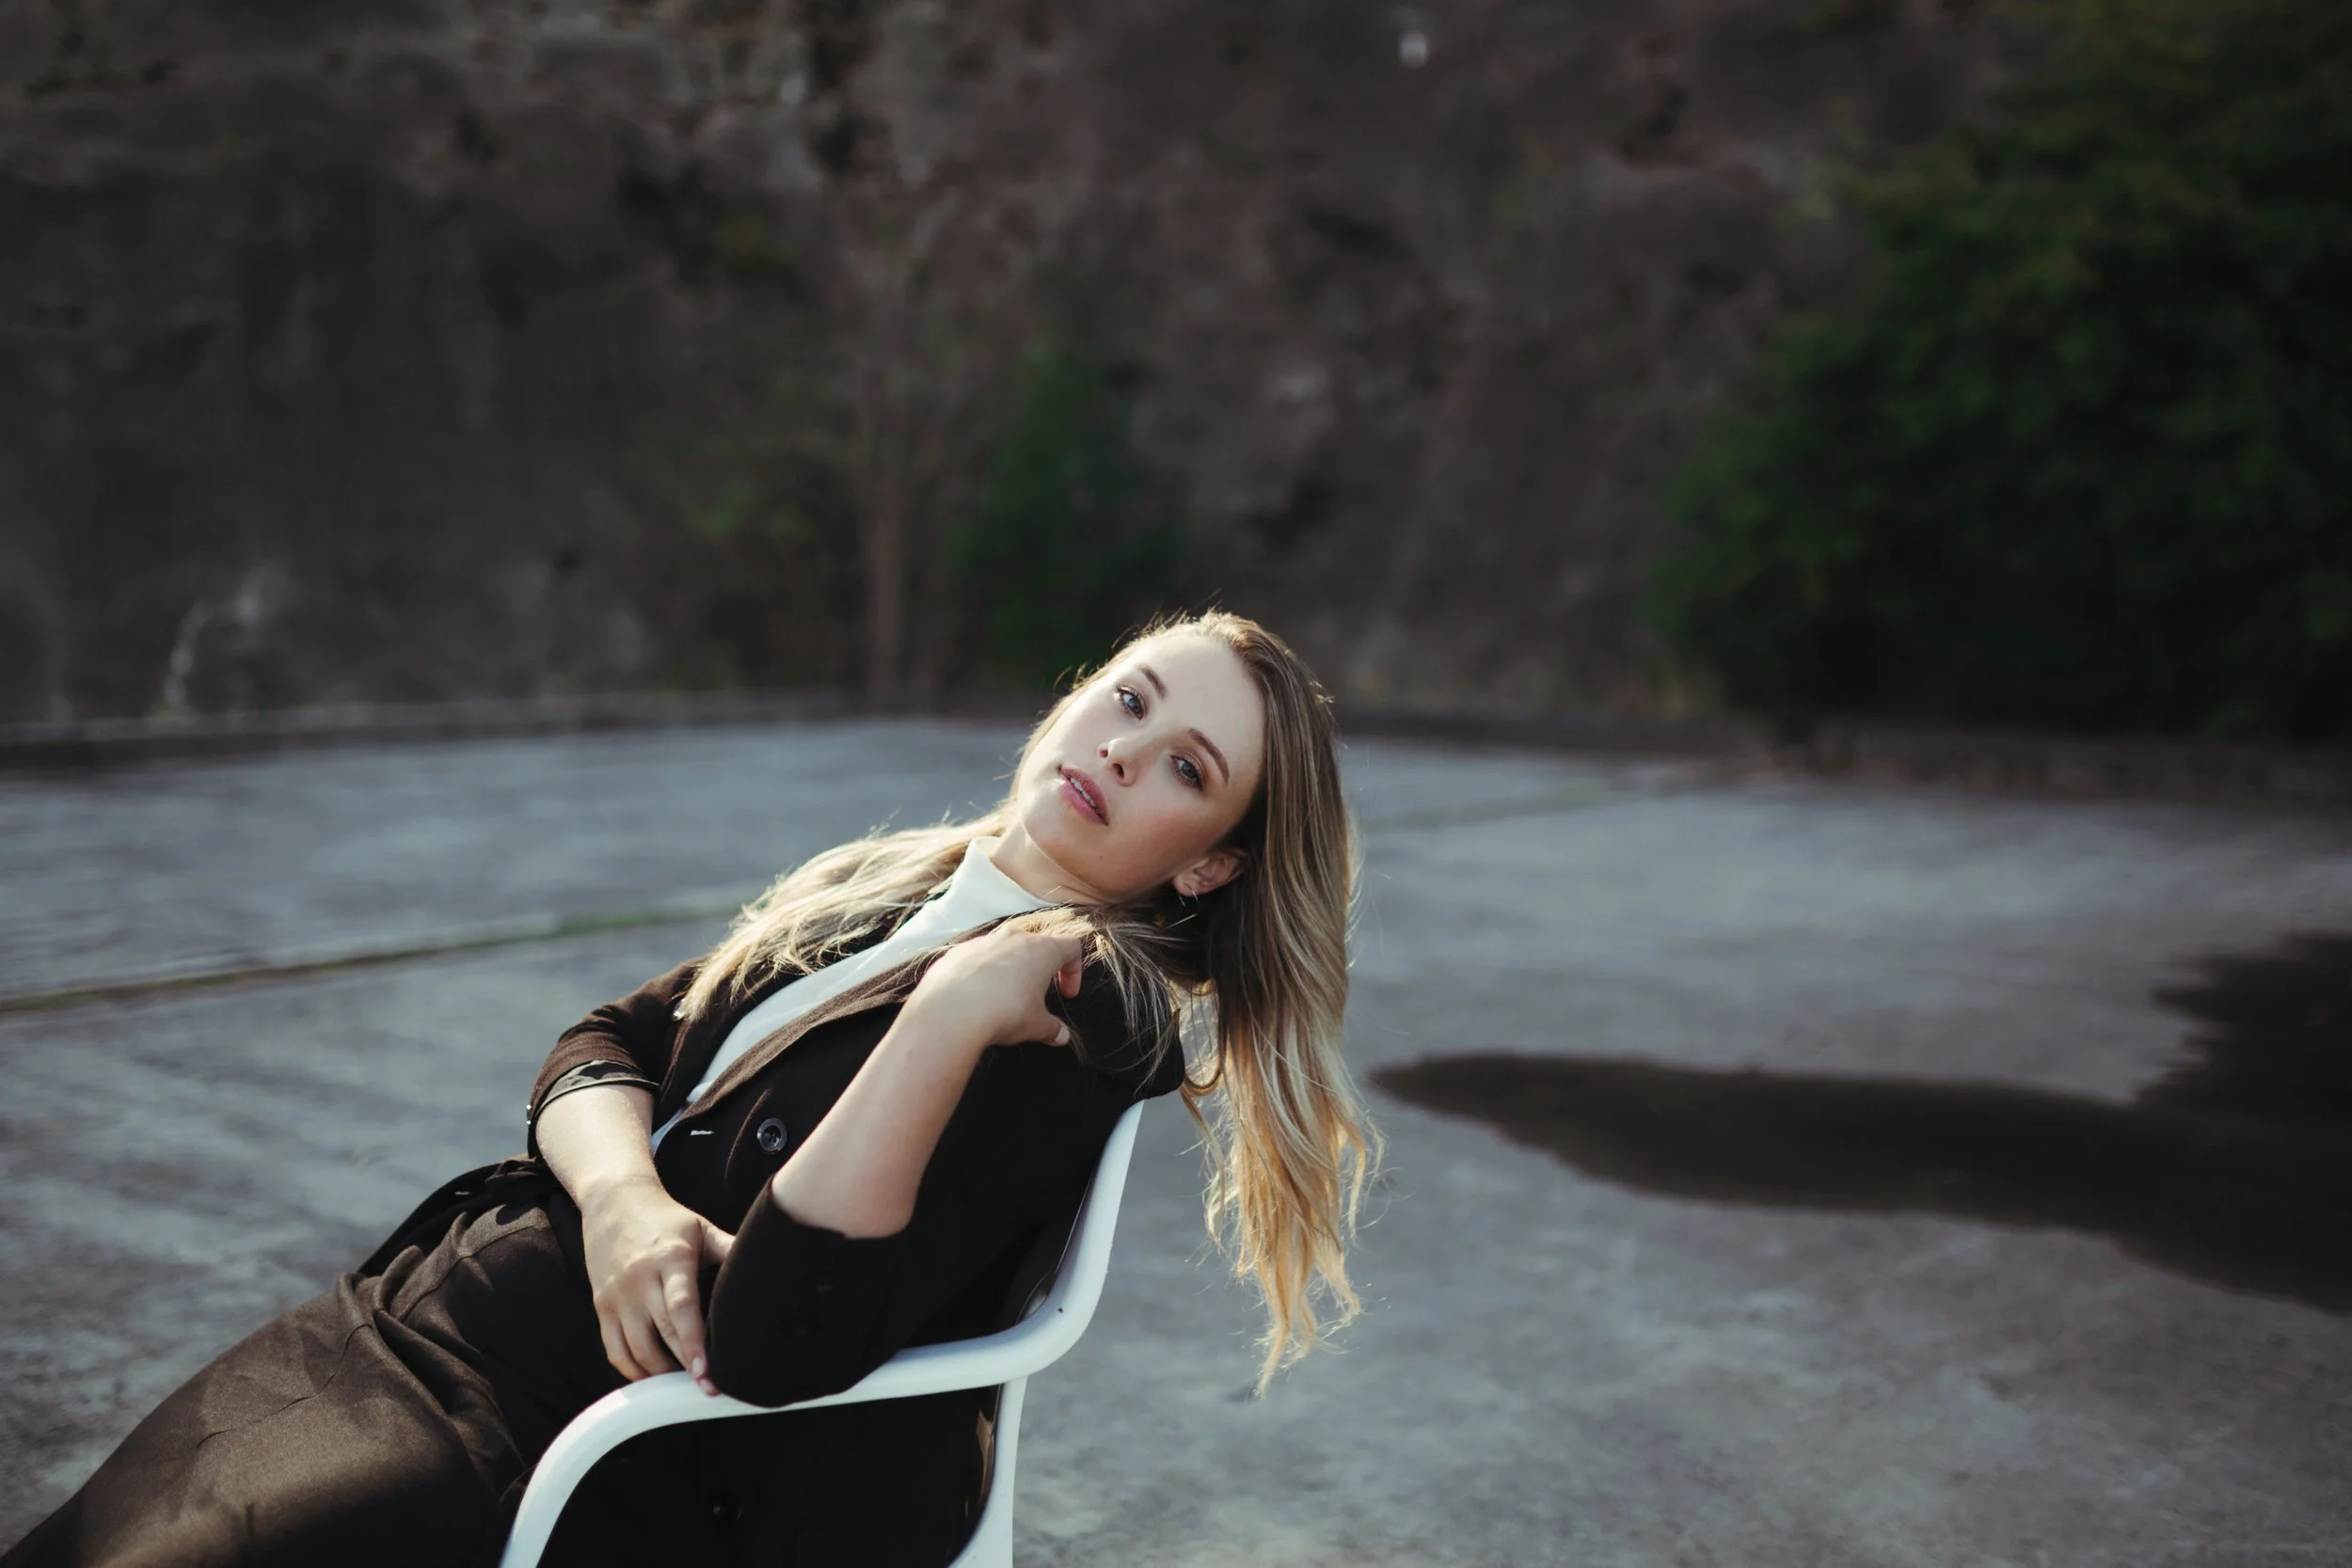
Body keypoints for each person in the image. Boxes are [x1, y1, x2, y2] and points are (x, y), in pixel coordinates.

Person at [3, 610, 1379, 1568]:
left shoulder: (1079, 1015)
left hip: (594, 1440)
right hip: (439, 1322)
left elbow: (778, 1340)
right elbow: (602, 1040)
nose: (1128, 748)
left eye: (1188, 768)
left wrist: (947, 1018)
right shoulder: (910, 876)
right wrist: (617, 1201)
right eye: (1131, 696)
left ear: (1209, 864)